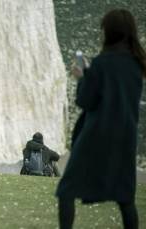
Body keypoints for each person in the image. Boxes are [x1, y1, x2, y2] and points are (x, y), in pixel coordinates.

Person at [56, 9, 145, 229]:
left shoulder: (102, 63)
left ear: (109, 32)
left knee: (67, 190)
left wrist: (82, 78)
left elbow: (86, 100)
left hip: (96, 135)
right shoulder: (137, 65)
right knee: (125, 198)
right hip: (125, 137)